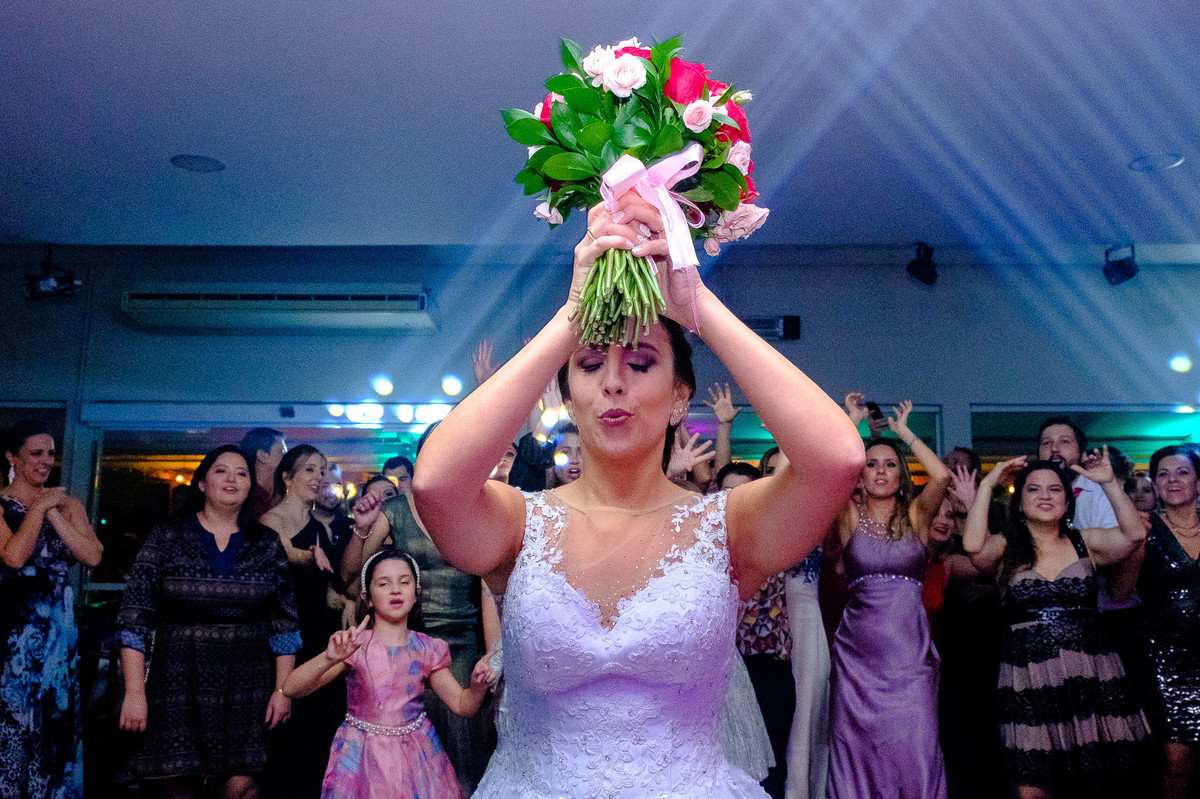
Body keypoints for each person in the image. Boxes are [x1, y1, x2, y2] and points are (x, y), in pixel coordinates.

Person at [411, 194, 865, 797]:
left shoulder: (726, 528)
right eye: (591, 364)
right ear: (568, 398)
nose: (615, 380)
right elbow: (434, 483)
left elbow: (839, 459)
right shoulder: (519, 525)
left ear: (681, 398)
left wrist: (694, 304)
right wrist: (571, 316)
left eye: (642, 362)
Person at [962, 454, 1149, 799]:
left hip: (1087, 672)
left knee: (1090, 781)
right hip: (1027, 677)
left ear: (1066, 501)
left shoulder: (1085, 541)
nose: (1045, 495)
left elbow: (1134, 534)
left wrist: (1109, 483)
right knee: (1031, 789)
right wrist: (988, 483)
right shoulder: (1005, 547)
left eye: (1054, 489)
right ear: (1019, 502)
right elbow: (973, 546)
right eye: (1033, 489)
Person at [117, 444, 300, 797]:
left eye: (242, 473)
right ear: (202, 483)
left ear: (250, 488)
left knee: (243, 785)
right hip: (177, 677)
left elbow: (285, 625)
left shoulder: (266, 543)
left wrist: (283, 691)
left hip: (249, 681)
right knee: (177, 785)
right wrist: (134, 691)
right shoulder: (167, 536)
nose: (231, 478)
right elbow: (134, 618)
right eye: (221, 470)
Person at [283, 550, 493, 799]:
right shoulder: (355, 646)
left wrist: (477, 687)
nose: (396, 590)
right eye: (384, 583)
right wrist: (329, 658)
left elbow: (462, 705)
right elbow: (291, 688)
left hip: (416, 757)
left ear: (416, 593)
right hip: (361, 756)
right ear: (368, 598)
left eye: (404, 582)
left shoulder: (427, 649)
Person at [826, 395, 952, 799]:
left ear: (902, 475)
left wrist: (903, 433)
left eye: (890, 464)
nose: (881, 471)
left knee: (915, 749)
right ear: (860, 476)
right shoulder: (846, 515)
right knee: (856, 751)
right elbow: (827, 469)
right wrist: (851, 422)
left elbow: (942, 477)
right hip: (857, 659)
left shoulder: (916, 516)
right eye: (871, 464)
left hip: (910, 659)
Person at [0, 420, 102, 799]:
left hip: (59, 632)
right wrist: (39, 507)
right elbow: (13, 556)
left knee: (55, 720)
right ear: (12, 457)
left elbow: (91, 554)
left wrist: (56, 511)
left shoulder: (68, 503)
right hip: (13, 632)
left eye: (51, 454)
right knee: (12, 719)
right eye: (36, 453)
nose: (46, 461)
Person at [259, 445, 342, 799]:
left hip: (321, 640)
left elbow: (327, 593)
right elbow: (285, 554)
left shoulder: (319, 529)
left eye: (321, 470)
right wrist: (307, 556)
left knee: (320, 738)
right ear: (287, 477)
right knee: (285, 741)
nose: (318, 477)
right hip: (282, 641)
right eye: (309, 469)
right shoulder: (269, 522)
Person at [1138, 446, 1200, 799]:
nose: (1172, 480)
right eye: (1162, 474)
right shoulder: (1143, 529)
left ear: (1199, 482)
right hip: (1165, 661)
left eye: (1182, 472)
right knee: (1177, 763)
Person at [241, 428, 287, 521]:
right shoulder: (247, 500)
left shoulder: (281, 496)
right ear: (262, 456)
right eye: (282, 452)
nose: (287, 458)